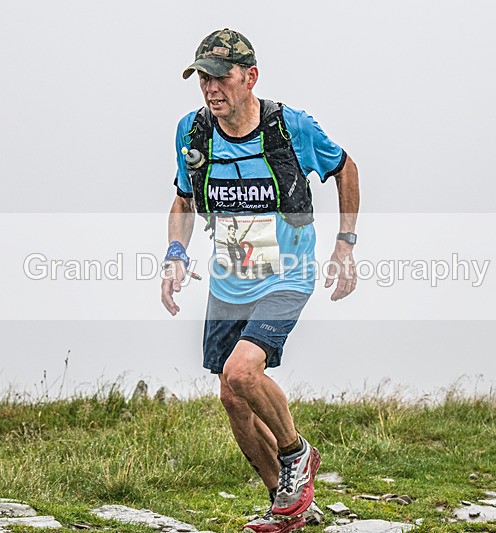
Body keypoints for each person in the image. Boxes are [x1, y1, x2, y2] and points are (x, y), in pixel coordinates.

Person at [160, 28, 360, 533]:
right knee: (232, 395)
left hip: (286, 274)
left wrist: (345, 243)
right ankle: (287, 505)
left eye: (221, 77)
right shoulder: (192, 132)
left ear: (250, 77)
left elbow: (345, 166)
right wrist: (176, 253)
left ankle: (298, 453)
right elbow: (184, 199)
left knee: (244, 373)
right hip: (229, 279)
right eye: (203, 78)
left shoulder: (290, 127)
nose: (211, 89)